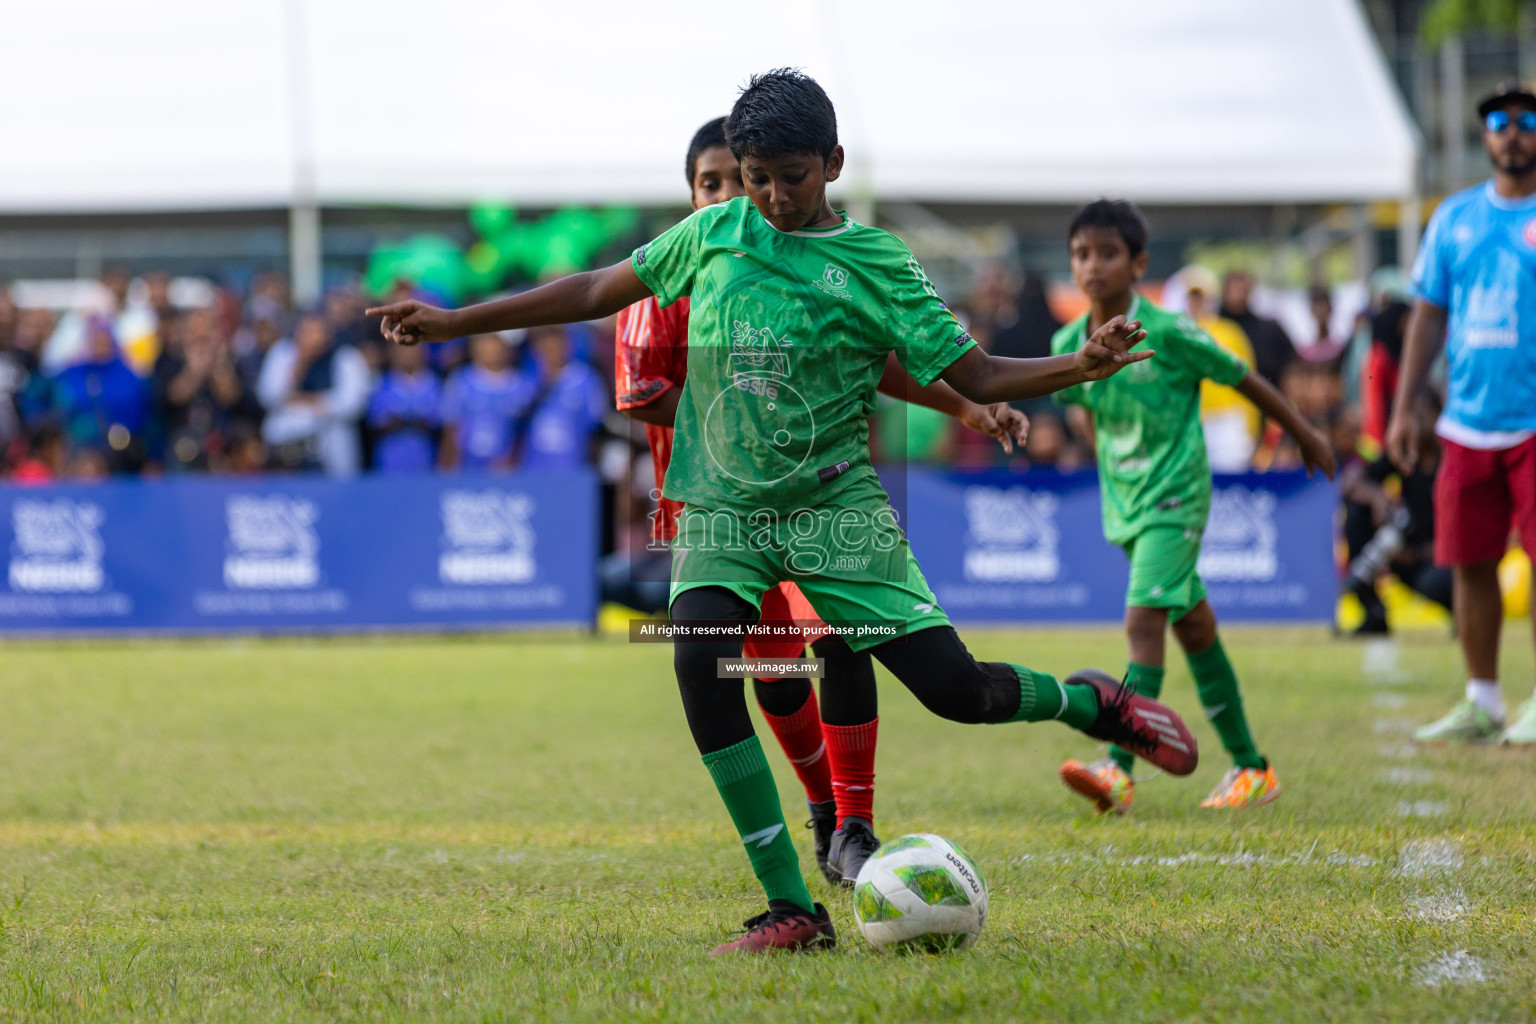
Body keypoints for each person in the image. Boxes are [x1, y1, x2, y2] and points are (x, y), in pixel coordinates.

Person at [369, 69, 1199, 956]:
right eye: (756, 175)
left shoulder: (877, 263)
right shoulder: (714, 232)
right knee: (700, 659)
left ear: (834, 163)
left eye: (790, 177)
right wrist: (454, 325)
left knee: (956, 694)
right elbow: (589, 293)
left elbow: (980, 374)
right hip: (724, 508)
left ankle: (1090, 702)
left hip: (835, 507)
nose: (769, 196)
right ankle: (791, 908)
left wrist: (1082, 366)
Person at [613, 116, 1031, 888]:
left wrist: (963, 405)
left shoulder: (810, 252)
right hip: (716, 507)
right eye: (717, 183)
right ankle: (821, 819)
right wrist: (739, 413)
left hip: (815, 497)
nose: (739, 197)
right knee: (766, 674)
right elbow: (639, 396)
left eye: (737, 182)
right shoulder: (675, 273)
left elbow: (866, 359)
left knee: (843, 636)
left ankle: (852, 825)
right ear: (695, 191)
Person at [1050, 200, 1335, 816]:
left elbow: (1242, 377)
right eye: (1081, 254)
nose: (1092, 266)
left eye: (1107, 253)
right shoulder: (1066, 344)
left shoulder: (1171, 332)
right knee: (1194, 627)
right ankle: (1253, 768)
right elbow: (1084, 415)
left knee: (1142, 622)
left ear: (1139, 263)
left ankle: (1119, 769)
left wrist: (1304, 433)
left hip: (1176, 499)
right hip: (1126, 506)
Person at [1391, 81, 1536, 746]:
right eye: (1500, 121)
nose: (1513, 132)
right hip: (1467, 421)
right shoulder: (1453, 217)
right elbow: (1427, 315)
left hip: (1533, 420)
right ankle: (1482, 701)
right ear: (1484, 136)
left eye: (1526, 121)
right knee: (1470, 562)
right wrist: (1402, 409)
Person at [1342, 392, 1452, 635]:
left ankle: (1464, 617)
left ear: (1439, 417)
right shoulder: (1404, 454)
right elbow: (1350, 483)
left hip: (1441, 556)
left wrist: (1415, 554)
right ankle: (1373, 612)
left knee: (1438, 580)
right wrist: (1378, 497)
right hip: (1404, 552)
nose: (1417, 422)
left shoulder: (1452, 458)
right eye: (1412, 415)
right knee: (1357, 514)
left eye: (1423, 414)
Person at [257, 310, 372, 476]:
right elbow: (268, 395)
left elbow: (352, 403)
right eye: (305, 331)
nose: (311, 337)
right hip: (288, 438)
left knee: (338, 442)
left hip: (330, 438)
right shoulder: (283, 352)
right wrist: (301, 362)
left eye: (316, 331)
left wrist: (310, 401)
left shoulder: (345, 356)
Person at [1181, 267, 1260, 472]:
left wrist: (1251, 427)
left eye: (1200, 297)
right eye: (1192, 297)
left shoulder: (1229, 332)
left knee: (1230, 479)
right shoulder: (1178, 335)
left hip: (1229, 420)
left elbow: (1249, 379)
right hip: (1192, 420)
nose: (1196, 303)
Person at [517, 325, 607, 471]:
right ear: (536, 350)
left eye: (556, 345)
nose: (551, 351)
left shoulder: (585, 378)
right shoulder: (526, 380)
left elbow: (595, 424)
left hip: (574, 466)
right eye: (546, 347)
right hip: (533, 467)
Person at [438, 332, 524, 472]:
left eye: (496, 342)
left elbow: (522, 433)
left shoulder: (521, 384)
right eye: (487, 341)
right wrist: (449, 467)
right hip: (467, 466)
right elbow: (451, 427)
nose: (491, 348)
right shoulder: (461, 381)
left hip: (505, 470)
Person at [368, 338, 442, 474]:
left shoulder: (434, 383)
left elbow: (438, 421)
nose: (408, 354)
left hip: (425, 456)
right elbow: (375, 421)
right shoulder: (382, 383)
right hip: (389, 457)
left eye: (413, 348)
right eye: (403, 349)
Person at [1219, 269, 1296, 389]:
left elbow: (1290, 362)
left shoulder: (1269, 330)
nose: (1238, 295)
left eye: (1242, 290)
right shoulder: (1212, 328)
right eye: (1235, 289)